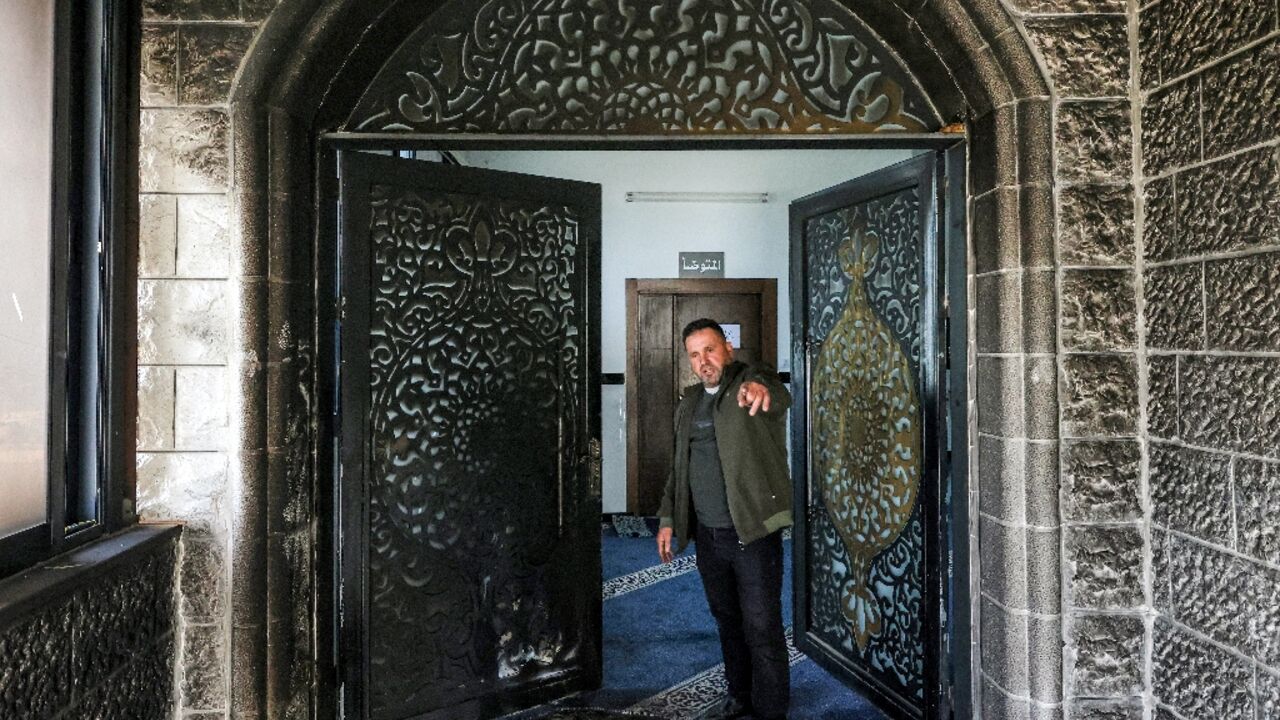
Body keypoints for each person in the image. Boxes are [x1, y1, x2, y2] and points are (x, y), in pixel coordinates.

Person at [656, 318, 793, 720]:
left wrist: (761, 388)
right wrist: (667, 518)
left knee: (762, 626)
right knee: (728, 620)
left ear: (727, 348)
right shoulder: (689, 403)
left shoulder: (750, 384)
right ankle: (740, 695)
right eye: (695, 355)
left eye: (710, 350)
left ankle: (771, 710)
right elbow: (677, 470)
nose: (704, 361)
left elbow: (776, 392)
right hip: (708, 537)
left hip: (751, 532)